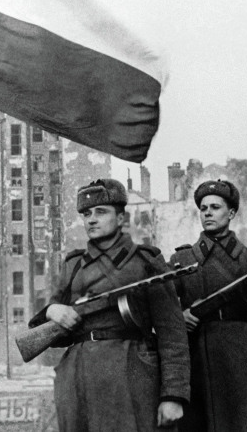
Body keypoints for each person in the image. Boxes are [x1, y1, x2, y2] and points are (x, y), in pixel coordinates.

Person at [30, 179, 190, 432]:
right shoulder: (73, 266)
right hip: (79, 378)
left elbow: (173, 334)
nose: (92, 220)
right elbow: (44, 331)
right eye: (86, 214)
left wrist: (173, 395)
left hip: (132, 374)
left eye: (101, 212)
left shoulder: (146, 262)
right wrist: (52, 310)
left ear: (120, 218)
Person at [170, 179, 247, 432]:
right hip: (199, 360)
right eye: (203, 208)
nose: (208, 213)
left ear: (231, 213)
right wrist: (179, 316)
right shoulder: (183, 260)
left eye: (215, 207)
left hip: (245, 362)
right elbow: (162, 309)